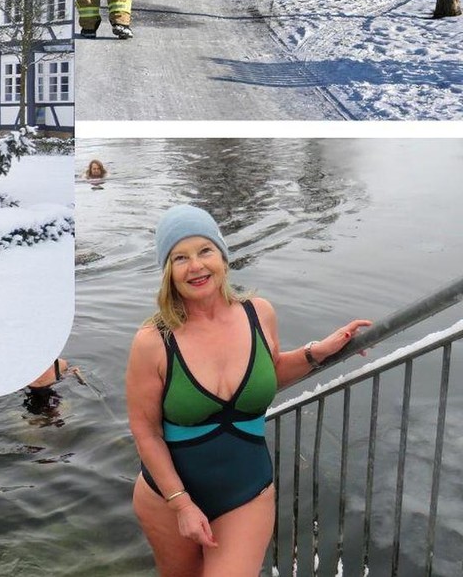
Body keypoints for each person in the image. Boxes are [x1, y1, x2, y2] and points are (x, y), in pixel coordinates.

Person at [126, 204, 373, 576]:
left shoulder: (259, 313)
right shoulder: (153, 341)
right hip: (166, 497)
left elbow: (269, 371)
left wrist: (314, 352)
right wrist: (181, 504)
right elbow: (145, 430)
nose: (196, 266)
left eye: (205, 251)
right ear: (167, 271)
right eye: (180, 257)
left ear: (222, 257)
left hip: (246, 491)